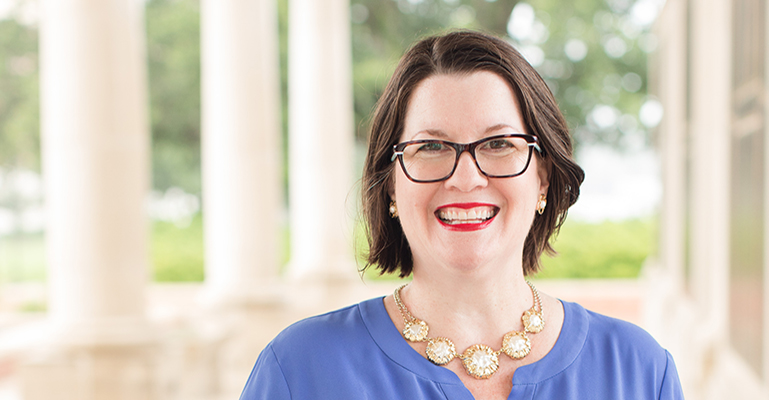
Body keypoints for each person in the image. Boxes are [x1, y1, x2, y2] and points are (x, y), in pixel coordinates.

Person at [240, 30, 684, 400]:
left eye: (498, 144)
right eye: (431, 146)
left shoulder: (639, 372)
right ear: (391, 182)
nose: (466, 179)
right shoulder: (299, 371)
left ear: (543, 179)